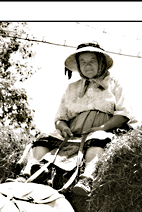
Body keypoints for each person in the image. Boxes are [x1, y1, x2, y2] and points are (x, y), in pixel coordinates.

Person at [22, 42, 133, 203]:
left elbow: (124, 114)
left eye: (92, 61)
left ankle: (87, 178)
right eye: (83, 62)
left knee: (98, 138)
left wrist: (102, 127)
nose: (87, 66)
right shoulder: (72, 88)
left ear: (101, 62)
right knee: (43, 139)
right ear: (79, 67)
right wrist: (63, 127)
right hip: (72, 133)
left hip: (102, 130)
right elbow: (60, 117)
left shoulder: (115, 84)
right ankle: (29, 171)